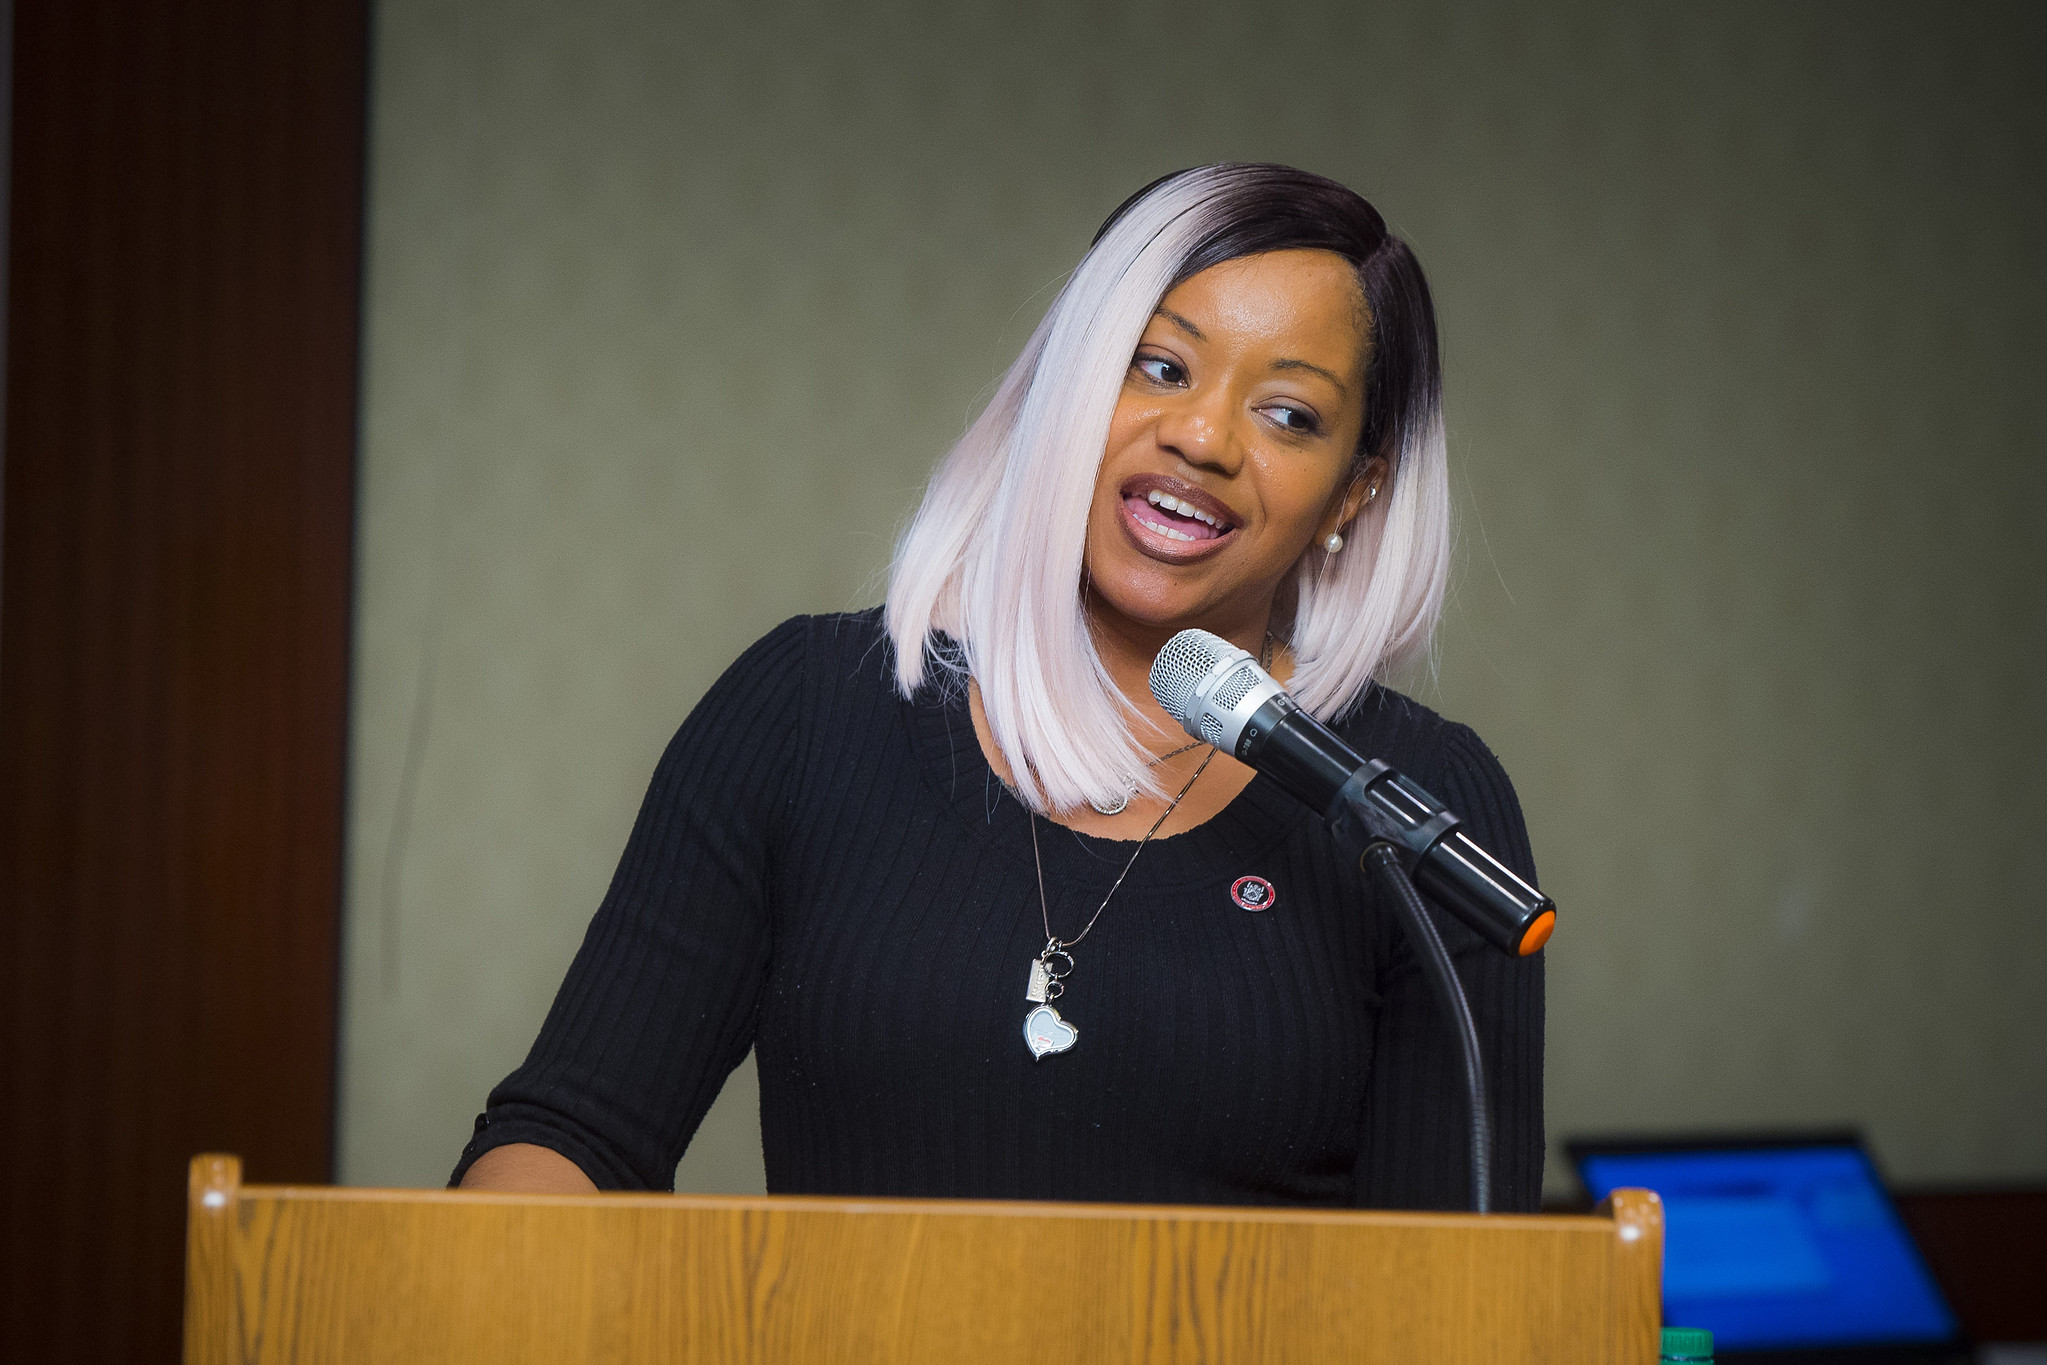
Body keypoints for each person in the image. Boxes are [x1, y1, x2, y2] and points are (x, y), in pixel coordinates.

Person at [453, 163, 1545, 1211]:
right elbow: (575, 1139)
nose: (1203, 438)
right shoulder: (804, 713)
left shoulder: (1419, 810)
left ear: (1355, 491)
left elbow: (1448, 1290)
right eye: (1159, 366)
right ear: (1067, 387)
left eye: (1289, 415)